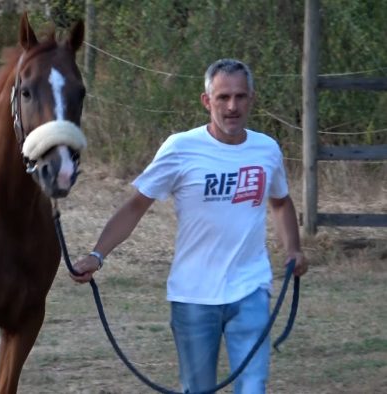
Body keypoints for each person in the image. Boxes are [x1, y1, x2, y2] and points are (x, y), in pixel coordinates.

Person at [70, 58, 308, 393]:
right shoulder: (181, 149)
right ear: (206, 101)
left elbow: (280, 202)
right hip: (193, 295)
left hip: (250, 288)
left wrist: (294, 249)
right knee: (198, 388)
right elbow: (135, 206)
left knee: (254, 385)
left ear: (252, 99)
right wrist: (97, 254)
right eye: (223, 97)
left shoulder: (266, 149)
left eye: (240, 97)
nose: (232, 106)